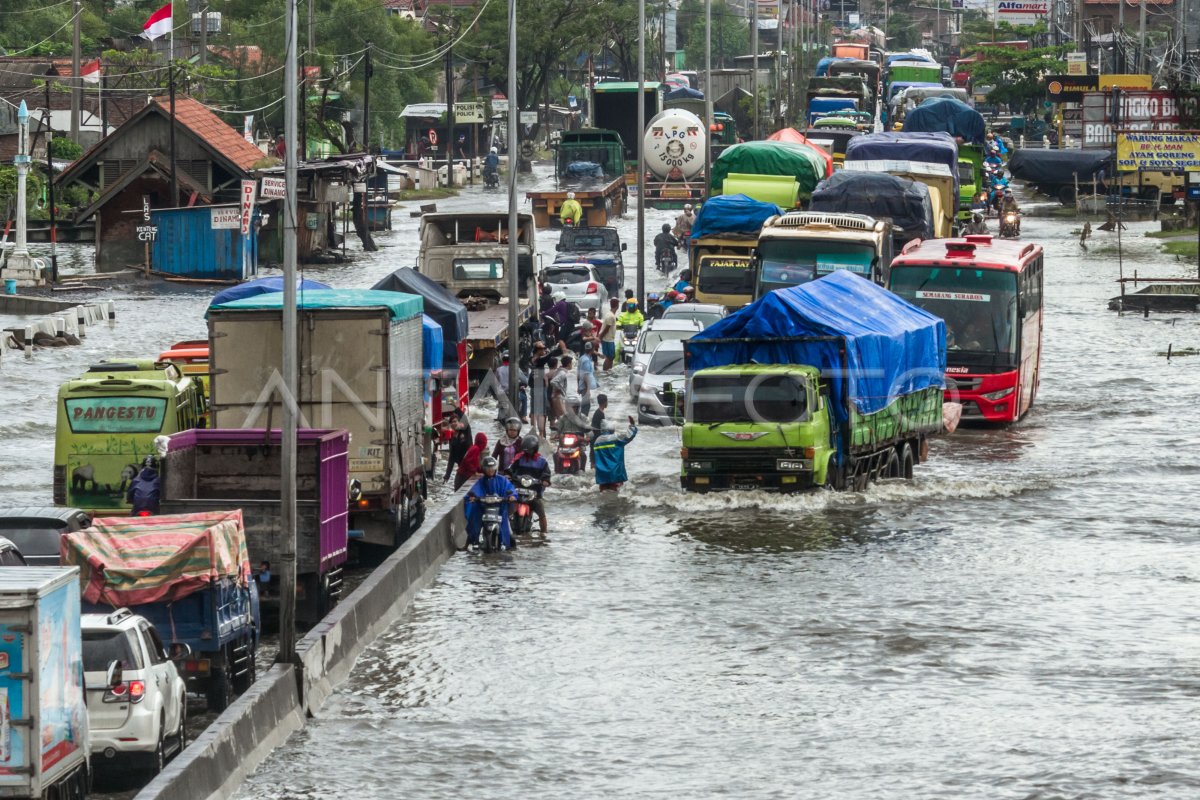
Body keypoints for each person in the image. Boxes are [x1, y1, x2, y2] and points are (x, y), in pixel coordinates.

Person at [463, 456, 516, 552]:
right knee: (474, 523)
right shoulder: (480, 481)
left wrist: (511, 496)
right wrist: (473, 497)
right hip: (483, 508)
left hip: (500, 508)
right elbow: (475, 490)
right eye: (488, 468)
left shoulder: (502, 480)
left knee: (507, 531)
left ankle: (506, 544)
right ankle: (472, 542)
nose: (490, 470)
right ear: (484, 469)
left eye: (492, 468)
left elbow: (510, 488)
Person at [508, 435, 552, 534]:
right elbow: (510, 469)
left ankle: (544, 533)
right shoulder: (519, 458)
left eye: (529, 451)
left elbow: (546, 475)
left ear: (535, 449)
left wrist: (545, 481)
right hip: (518, 491)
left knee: (541, 512)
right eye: (525, 450)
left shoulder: (542, 461)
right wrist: (508, 475)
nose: (526, 453)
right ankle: (504, 528)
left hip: (534, 493)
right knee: (507, 509)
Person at [593, 417, 638, 491]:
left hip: (602, 477)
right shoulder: (616, 438)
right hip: (615, 475)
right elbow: (629, 436)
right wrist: (632, 425)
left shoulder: (597, 441)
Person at [442, 410, 472, 483]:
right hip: (461, 468)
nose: (454, 423)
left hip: (471, 466)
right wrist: (447, 475)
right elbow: (451, 458)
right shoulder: (452, 439)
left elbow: (465, 420)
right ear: (450, 425)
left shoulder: (465, 431)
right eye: (452, 422)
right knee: (457, 484)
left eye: (455, 421)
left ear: (459, 423)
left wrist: (457, 408)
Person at [577, 342, 598, 417]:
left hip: (583, 386)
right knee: (586, 406)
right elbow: (585, 376)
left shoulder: (582, 358)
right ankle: (583, 422)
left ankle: (582, 421)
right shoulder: (586, 360)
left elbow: (578, 374)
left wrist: (578, 386)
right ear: (592, 349)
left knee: (585, 405)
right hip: (585, 387)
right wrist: (588, 390)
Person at [599, 297, 619, 371]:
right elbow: (606, 329)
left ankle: (608, 371)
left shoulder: (609, 314)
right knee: (610, 357)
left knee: (611, 357)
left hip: (608, 339)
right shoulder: (611, 316)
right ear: (617, 306)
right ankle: (606, 371)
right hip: (608, 339)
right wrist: (600, 338)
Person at [589, 393, 608, 469]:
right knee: (594, 460)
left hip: (594, 438)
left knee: (594, 458)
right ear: (605, 402)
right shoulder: (600, 413)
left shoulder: (598, 412)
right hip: (596, 439)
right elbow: (601, 428)